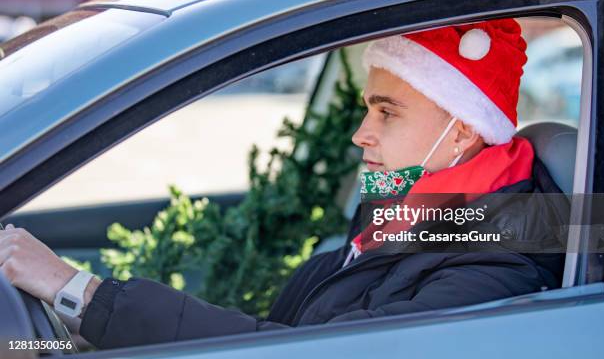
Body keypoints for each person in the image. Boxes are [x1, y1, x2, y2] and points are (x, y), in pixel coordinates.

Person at [0, 19, 566, 349]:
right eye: (366, 108)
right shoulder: (416, 205)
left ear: (464, 127)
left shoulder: (497, 266)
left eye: (386, 112)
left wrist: (82, 293)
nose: (360, 134)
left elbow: (309, 353)